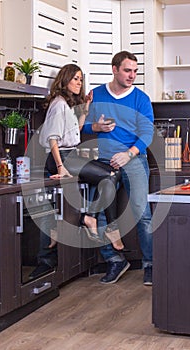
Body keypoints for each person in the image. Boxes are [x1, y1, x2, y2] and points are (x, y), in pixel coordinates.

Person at [82, 51, 154, 285]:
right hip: (103, 162)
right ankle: (114, 260)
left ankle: (150, 265)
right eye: (127, 70)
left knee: (143, 214)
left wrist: (128, 154)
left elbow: (147, 133)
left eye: (135, 71)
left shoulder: (140, 99)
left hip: (134, 159)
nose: (132, 75)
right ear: (114, 69)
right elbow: (82, 128)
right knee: (100, 213)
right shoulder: (97, 95)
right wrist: (96, 127)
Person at [38, 63, 124, 250]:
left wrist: (85, 109)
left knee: (114, 173)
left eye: (81, 79)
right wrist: (61, 167)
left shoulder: (66, 105)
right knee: (109, 176)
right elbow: (53, 138)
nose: (79, 83)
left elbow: (74, 131)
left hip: (70, 156)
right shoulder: (58, 104)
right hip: (61, 157)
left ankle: (89, 217)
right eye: (75, 79)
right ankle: (109, 227)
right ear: (65, 79)